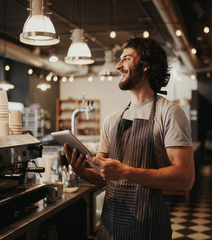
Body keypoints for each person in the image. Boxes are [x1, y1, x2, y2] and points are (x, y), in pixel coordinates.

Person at [64, 36, 195, 240]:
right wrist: (83, 171)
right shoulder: (112, 120)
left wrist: (126, 172)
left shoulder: (168, 112)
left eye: (126, 58)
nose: (118, 65)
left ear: (145, 65)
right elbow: (103, 176)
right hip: (110, 229)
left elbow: (185, 178)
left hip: (149, 229)